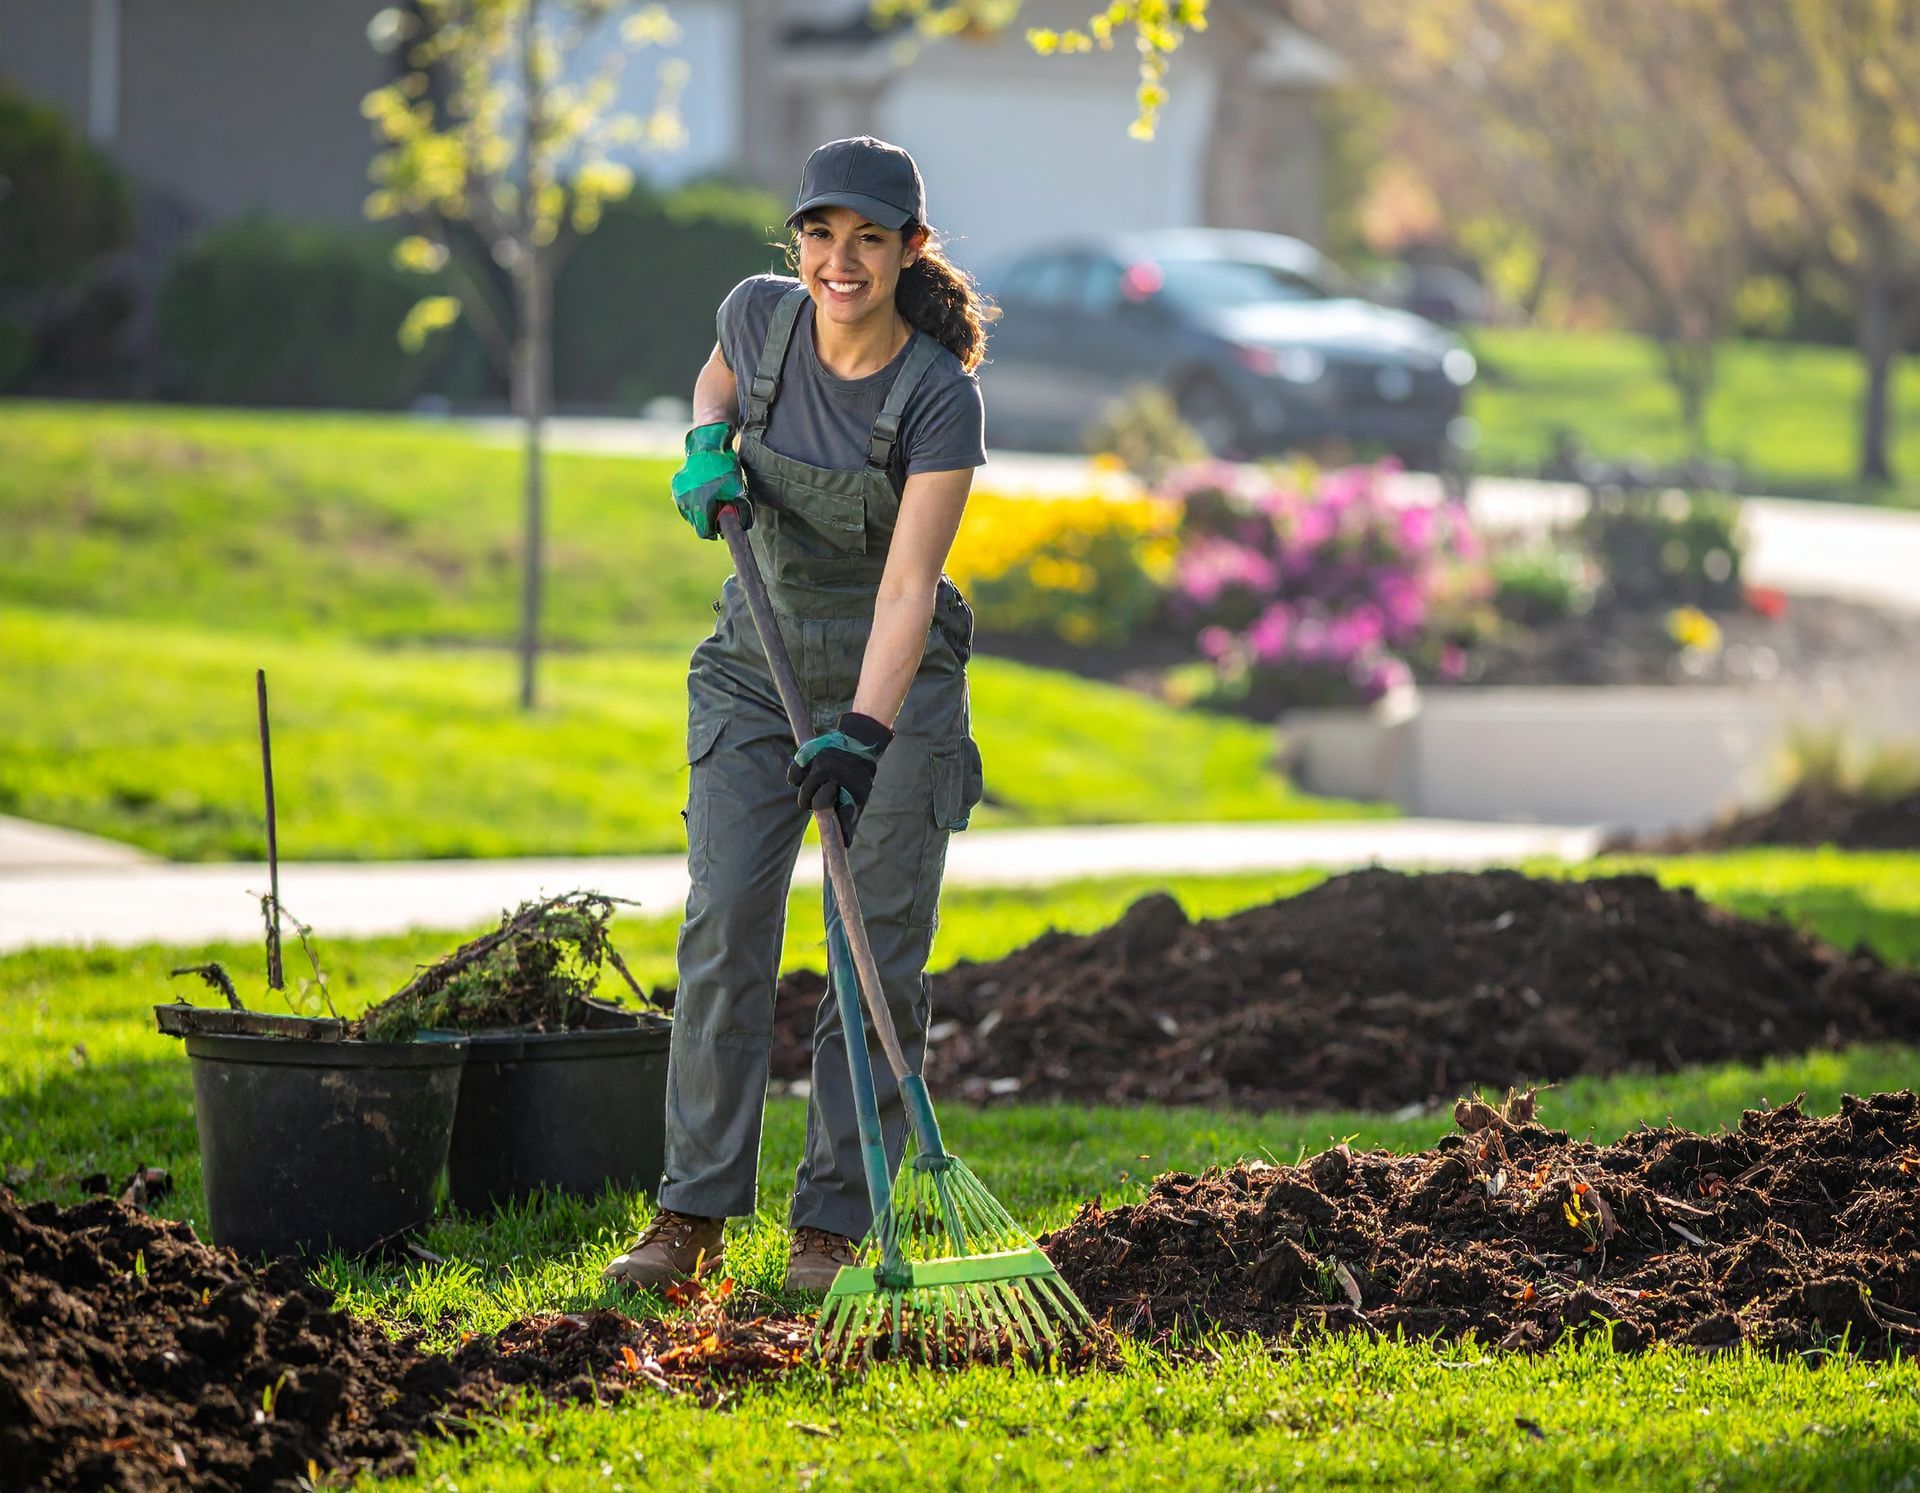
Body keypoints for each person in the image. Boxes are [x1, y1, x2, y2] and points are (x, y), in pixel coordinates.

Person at [602, 136, 992, 1294]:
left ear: (909, 250)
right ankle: (690, 1214)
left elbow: (910, 588)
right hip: (750, 669)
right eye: (822, 234)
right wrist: (705, 442)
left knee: (871, 951)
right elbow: (718, 377)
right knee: (725, 926)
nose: (841, 259)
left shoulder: (939, 396)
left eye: (869, 238)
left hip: (893, 679)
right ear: (799, 241)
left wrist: (863, 739)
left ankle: (829, 1222)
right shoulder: (758, 313)